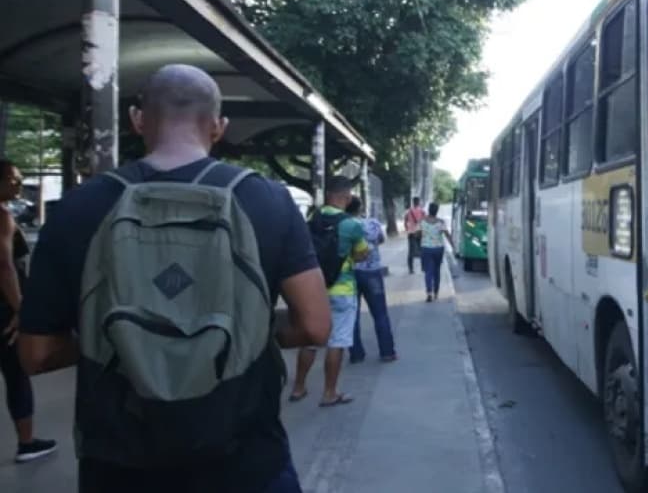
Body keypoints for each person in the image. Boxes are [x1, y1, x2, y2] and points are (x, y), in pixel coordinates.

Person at [18, 64, 331, 492]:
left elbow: (35, 354)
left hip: (120, 463)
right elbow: (315, 325)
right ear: (219, 127)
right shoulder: (268, 201)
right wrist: (229, 335)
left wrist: (123, 341)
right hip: (245, 458)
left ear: (137, 120)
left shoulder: (78, 208)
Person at [290, 176, 367, 407]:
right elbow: (362, 254)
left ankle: (298, 388)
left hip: (315, 288)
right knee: (337, 342)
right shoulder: (351, 225)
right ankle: (329, 393)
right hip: (342, 289)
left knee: (310, 340)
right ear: (346, 197)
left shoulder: (314, 217)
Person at [0, 159, 57, 463]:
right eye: (12, 178)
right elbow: (5, 266)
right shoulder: (2, 217)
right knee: (16, 373)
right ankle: (26, 442)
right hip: (4, 311)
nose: (18, 183)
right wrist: (20, 308)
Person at [347, 197, 396, 364]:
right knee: (380, 313)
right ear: (361, 208)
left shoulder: (345, 225)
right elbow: (381, 239)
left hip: (352, 273)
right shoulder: (373, 223)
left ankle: (356, 353)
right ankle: (387, 352)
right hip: (373, 272)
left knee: (352, 315)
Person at [419, 202, 452, 302]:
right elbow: (446, 234)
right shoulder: (441, 222)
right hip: (438, 249)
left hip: (426, 248)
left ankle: (429, 293)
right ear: (436, 211)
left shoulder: (422, 221)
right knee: (437, 271)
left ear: (429, 210)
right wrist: (452, 245)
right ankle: (436, 292)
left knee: (428, 271)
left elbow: (417, 233)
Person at [404, 197, 425, 274]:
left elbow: (405, 221)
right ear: (418, 202)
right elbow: (424, 222)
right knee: (422, 250)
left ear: (413, 202)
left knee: (410, 252)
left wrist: (407, 229)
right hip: (419, 233)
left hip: (411, 233)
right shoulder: (422, 211)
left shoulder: (408, 211)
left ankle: (411, 269)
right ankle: (423, 268)